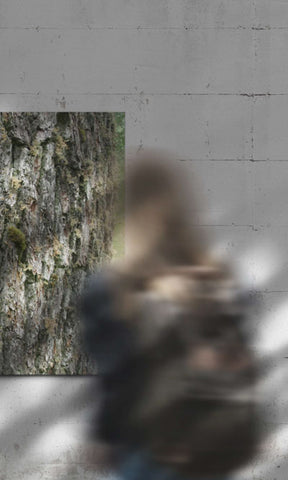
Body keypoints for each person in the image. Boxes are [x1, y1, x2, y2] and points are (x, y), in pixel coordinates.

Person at [80, 151, 258, 480]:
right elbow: (244, 359)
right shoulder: (222, 281)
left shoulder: (113, 289)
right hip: (211, 445)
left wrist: (102, 436)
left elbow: (116, 379)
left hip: (146, 449)